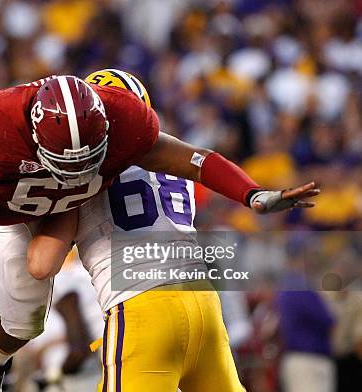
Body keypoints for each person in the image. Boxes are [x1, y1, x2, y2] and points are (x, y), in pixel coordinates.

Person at [0, 19, 318, 391]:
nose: (77, 167)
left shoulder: (126, 130)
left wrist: (252, 193)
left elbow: (191, 159)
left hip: (32, 213)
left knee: (25, 319)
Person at [23, 69, 314, 391]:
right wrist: (252, 193)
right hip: (204, 305)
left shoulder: (84, 169)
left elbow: (42, 264)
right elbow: (204, 162)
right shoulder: (174, 161)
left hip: (141, 307)